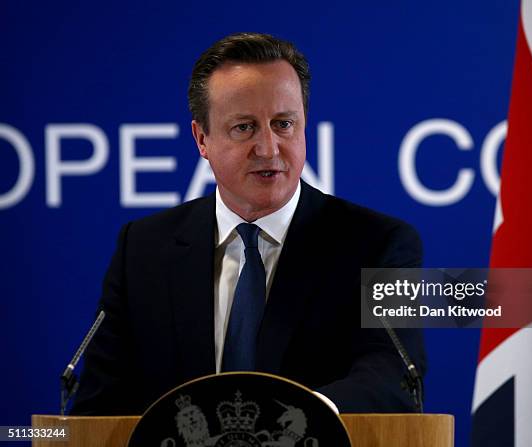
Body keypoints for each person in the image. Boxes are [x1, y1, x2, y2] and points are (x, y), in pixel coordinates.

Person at [71, 32, 425, 415]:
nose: (269, 148)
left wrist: (306, 414)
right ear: (201, 138)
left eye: (283, 124)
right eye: (244, 127)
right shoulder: (142, 249)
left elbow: (396, 376)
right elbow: (98, 405)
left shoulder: (379, 244)